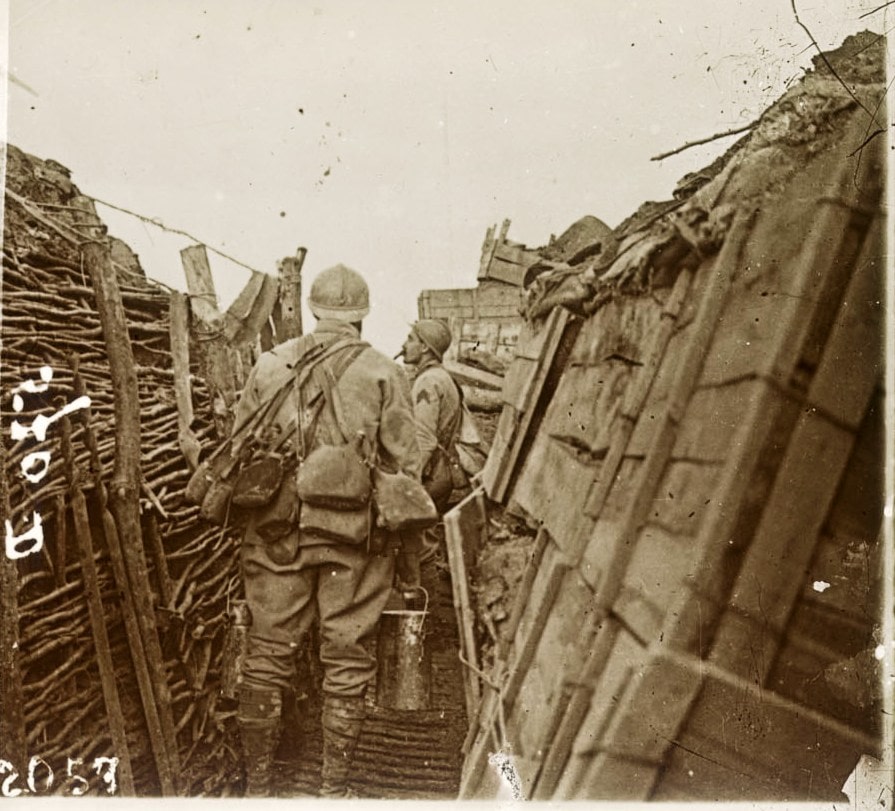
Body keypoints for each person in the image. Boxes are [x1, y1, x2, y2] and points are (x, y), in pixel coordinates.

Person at [231, 264, 421, 798]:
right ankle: (333, 793)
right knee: (347, 658)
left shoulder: (270, 365)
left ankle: (259, 790)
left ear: (312, 309)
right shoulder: (385, 372)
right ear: (361, 314)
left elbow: (240, 441)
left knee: (267, 656)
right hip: (353, 541)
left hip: (276, 535)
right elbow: (407, 465)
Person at [398, 319, 463, 576]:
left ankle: (426, 607)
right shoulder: (442, 377)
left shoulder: (428, 382)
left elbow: (424, 441)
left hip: (430, 474)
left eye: (410, 339)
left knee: (416, 548)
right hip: (441, 472)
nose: (404, 345)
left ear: (425, 348)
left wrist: (407, 486)